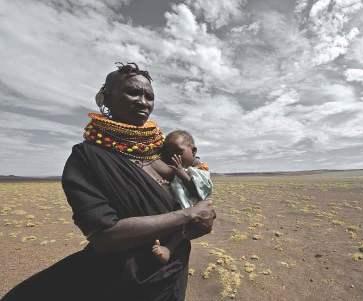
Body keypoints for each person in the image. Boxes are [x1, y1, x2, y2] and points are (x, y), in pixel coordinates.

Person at [1, 63, 216, 301]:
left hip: (172, 271)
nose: (143, 101)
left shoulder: (164, 150)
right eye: (132, 92)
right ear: (105, 99)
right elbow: (105, 237)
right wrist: (187, 216)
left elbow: (194, 192)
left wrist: (201, 220)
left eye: (149, 96)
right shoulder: (87, 158)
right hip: (122, 281)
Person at [151, 130, 213, 264]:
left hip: (192, 207)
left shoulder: (200, 169)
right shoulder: (175, 166)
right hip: (178, 206)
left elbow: (199, 189)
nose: (173, 157)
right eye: (168, 154)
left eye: (178, 152)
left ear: (194, 151)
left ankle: (168, 249)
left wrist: (180, 172)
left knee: (182, 228)